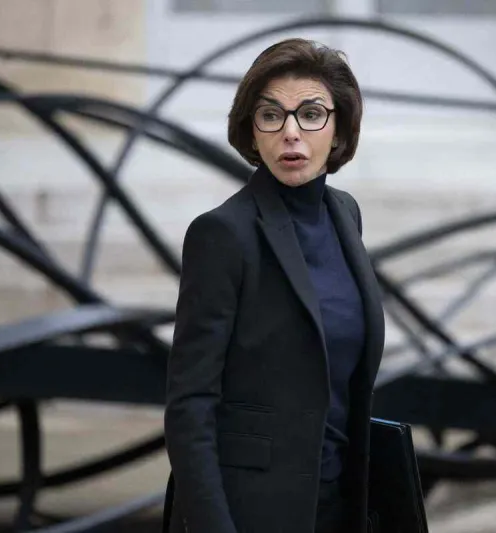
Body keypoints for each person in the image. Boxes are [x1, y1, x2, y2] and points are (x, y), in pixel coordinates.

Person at [163, 38, 385, 533]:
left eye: (310, 114)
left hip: (340, 505)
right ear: (251, 130)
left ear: (339, 128)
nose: (290, 133)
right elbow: (189, 405)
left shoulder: (345, 214)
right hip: (251, 512)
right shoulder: (222, 233)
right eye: (271, 115)